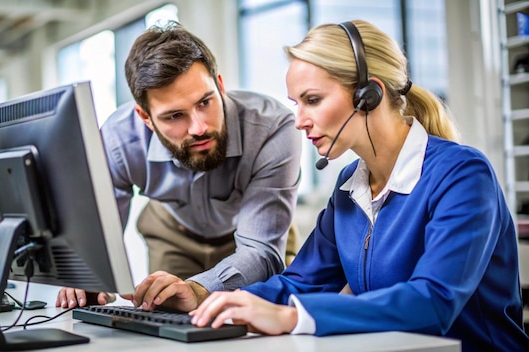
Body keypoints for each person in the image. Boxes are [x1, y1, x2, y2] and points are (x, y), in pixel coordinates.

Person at [144, 20, 529, 351]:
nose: (299, 120)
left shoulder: (462, 175)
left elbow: (434, 301)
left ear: (368, 95)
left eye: (312, 100)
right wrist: (204, 296)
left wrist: (291, 317)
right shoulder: (350, 184)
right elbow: (302, 280)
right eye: (295, 103)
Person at [56, 22, 302, 309]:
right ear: (145, 117)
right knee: (166, 315)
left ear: (220, 86)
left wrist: (201, 288)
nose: (198, 127)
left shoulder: (272, 128)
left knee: (274, 320)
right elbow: (100, 237)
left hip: (254, 233)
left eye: (205, 102)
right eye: (174, 116)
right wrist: (89, 275)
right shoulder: (119, 140)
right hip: (172, 233)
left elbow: (260, 250)